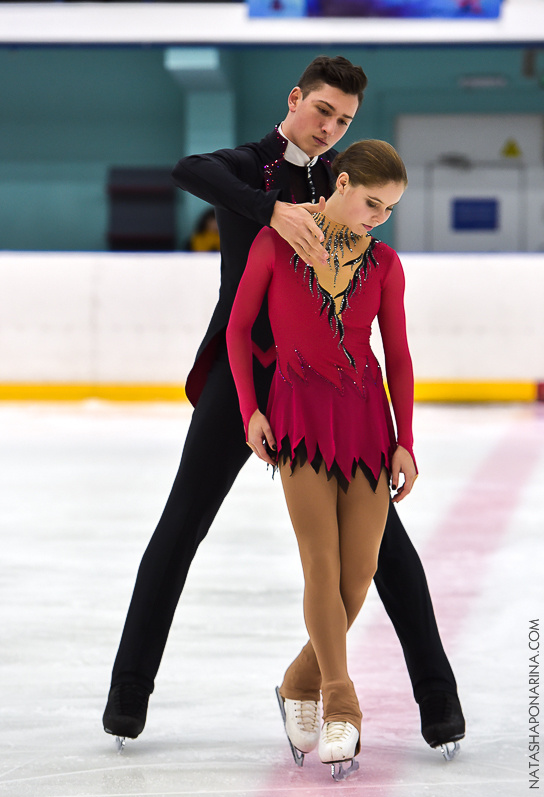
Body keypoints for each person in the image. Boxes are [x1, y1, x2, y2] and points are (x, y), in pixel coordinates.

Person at [102, 55, 465, 755]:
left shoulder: (341, 180)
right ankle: (127, 696)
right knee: (182, 526)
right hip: (243, 381)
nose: (331, 128)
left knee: (385, 549)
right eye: (323, 111)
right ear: (296, 99)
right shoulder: (246, 166)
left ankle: (437, 701)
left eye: (345, 121)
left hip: (326, 389)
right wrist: (269, 209)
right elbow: (188, 170)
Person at [226, 139, 415, 772]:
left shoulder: (386, 263)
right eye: (372, 203)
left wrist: (406, 441)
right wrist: (250, 408)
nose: (379, 217)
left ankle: (298, 679)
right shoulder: (277, 242)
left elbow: (400, 357)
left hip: (366, 420)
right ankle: (341, 700)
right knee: (321, 562)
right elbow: (237, 326)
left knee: (356, 578)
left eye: (389, 209)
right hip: (298, 414)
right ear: (340, 185)